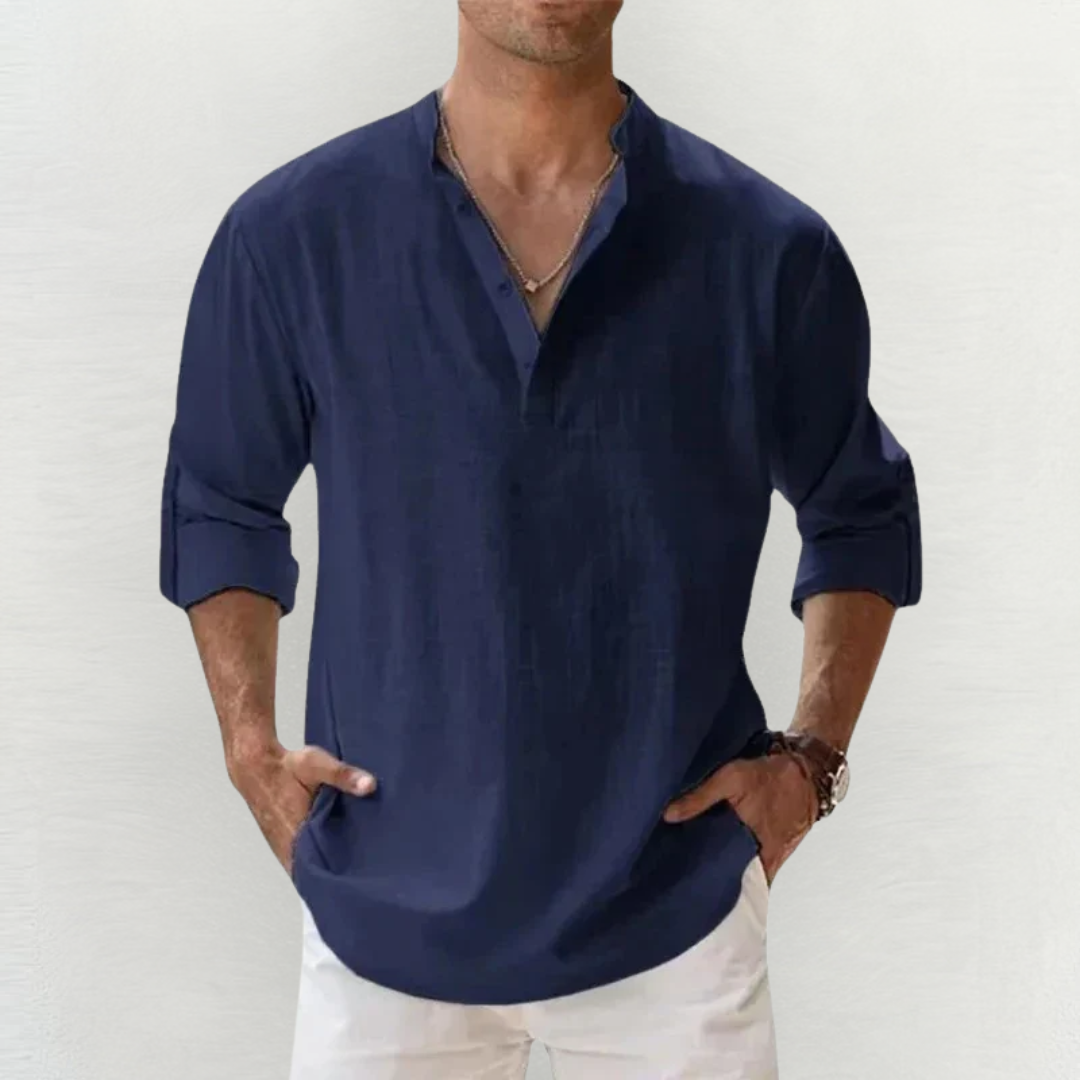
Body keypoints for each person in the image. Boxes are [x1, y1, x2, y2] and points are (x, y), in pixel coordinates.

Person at [158, 2, 922, 1076]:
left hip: (675, 922)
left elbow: (861, 511)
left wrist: (812, 763)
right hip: (384, 919)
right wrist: (251, 750)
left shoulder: (766, 249)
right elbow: (220, 498)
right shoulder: (294, 235)